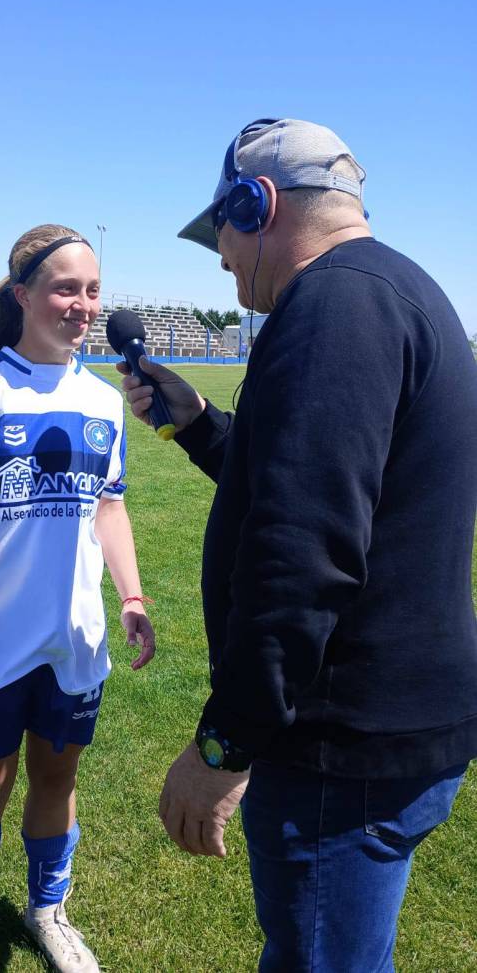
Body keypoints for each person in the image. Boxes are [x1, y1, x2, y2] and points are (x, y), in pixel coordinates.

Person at [119, 119, 477, 971]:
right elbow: (313, 482)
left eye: (221, 231)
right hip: (391, 731)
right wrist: (199, 424)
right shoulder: (396, 289)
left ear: (257, 205)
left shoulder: (330, 306)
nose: (221, 259)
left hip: (340, 746)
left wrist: (224, 743)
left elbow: (301, 553)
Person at [0, 224, 155, 973]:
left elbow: (109, 506)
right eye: (65, 288)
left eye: (92, 290)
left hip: (74, 640)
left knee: (58, 780)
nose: (83, 305)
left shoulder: (104, 401)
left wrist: (131, 595)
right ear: (22, 295)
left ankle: (47, 911)